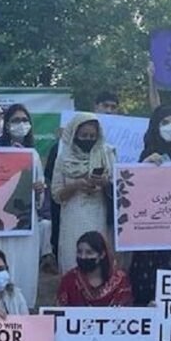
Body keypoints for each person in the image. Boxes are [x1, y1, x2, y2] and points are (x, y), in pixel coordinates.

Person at [129, 105, 171, 305]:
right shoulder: (147, 155)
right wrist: (144, 169)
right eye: (165, 123)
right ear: (155, 127)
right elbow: (133, 194)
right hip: (150, 235)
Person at [0, 104, 47, 307]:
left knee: (24, 268)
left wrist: (39, 190)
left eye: (24, 120)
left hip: (25, 224)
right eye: (15, 120)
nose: (21, 125)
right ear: (6, 124)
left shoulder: (33, 155)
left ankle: (22, 312)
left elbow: (39, 193)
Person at [52, 113, 115, 273]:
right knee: (73, 263)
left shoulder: (107, 153)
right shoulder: (63, 157)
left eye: (92, 136)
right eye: (84, 135)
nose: (88, 139)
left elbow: (118, 188)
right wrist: (76, 185)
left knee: (98, 263)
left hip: (99, 216)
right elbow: (57, 195)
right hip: (73, 217)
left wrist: (103, 183)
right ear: (75, 134)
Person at [57, 231, 133, 307]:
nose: (83, 257)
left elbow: (126, 311)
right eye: (79, 252)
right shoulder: (69, 280)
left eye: (89, 253)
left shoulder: (120, 281)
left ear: (102, 254)